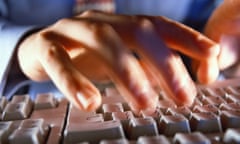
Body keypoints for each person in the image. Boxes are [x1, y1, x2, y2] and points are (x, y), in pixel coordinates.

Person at [1, 0, 238, 114]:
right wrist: (21, 50)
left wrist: (224, 47)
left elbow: (214, 21)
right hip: (29, 97)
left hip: (173, 99)